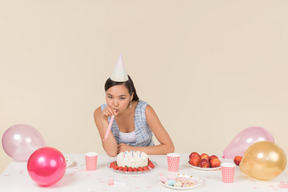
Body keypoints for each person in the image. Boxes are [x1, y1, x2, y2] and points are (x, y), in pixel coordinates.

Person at [94, 55, 174, 157]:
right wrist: (104, 121)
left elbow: (169, 147)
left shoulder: (145, 110)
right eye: (110, 97)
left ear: (131, 96)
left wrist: (132, 150)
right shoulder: (99, 113)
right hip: (119, 165)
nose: (115, 103)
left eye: (122, 98)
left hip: (148, 163)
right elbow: (112, 152)